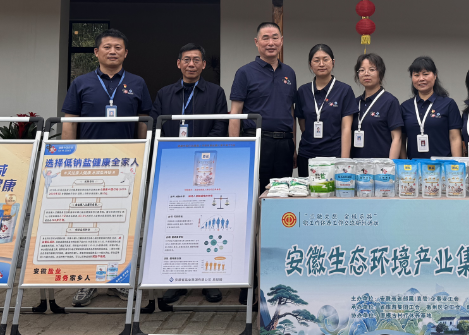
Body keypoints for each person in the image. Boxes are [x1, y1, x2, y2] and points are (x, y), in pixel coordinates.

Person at [61, 28, 152, 308]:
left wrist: (143, 153)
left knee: (122, 223)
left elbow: (143, 122)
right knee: (87, 224)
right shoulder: (81, 83)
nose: (113, 51)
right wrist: (67, 159)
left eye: (118, 47)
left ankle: (118, 279)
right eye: (107, 47)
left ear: (126, 53)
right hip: (89, 165)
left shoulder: (137, 83)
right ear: (96, 52)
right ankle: (87, 280)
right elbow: (69, 122)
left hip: (126, 165)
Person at [150, 43, 229, 306]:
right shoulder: (164, 93)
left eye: (196, 60)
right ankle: (177, 281)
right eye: (186, 59)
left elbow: (220, 125)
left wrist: (200, 151)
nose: (191, 64)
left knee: (207, 222)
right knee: (179, 225)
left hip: (205, 168)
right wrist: (173, 152)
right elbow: (156, 126)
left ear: (204, 64)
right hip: (173, 167)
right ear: (178, 63)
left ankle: (209, 280)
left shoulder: (216, 92)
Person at [229, 22, 297, 305]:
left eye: (275, 37)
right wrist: (235, 151)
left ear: (282, 41)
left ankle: (276, 280)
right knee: (252, 214)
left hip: (284, 146)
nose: (271, 42)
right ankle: (250, 282)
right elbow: (235, 113)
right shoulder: (244, 72)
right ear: (256, 42)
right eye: (265, 38)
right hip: (255, 144)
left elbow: (291, 113)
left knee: (278, 211)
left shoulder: (289, 73)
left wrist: (294, 146)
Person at [295, 44, 358, 174]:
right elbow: (303, 124)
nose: (321, 64)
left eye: (325, 59)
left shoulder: (344, 90)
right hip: (307, 155)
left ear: (333, 62)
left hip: (334, 155)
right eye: (316, 60)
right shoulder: (303, 91)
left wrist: (344, 161)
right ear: (310, 64)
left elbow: (346, 128)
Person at [400, 56, 462, 159]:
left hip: (442, 166)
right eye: (416, 75)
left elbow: (455, 138)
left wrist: (457, 164)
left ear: (435, 75)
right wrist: (404, 163)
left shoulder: (448, 104)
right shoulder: (405, 107)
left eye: (426, 74)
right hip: (414, 166)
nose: (421, 79)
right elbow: (401, 140)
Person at [350, 53, 403, 158]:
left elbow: (397, 138)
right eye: (362, 70)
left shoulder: (390, 101)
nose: (366, 73)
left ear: (380, 73)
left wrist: (389, 165)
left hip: (381, 165)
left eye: (372, 69)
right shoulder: (355, 103)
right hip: (356, 163)